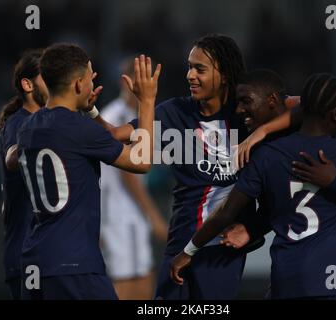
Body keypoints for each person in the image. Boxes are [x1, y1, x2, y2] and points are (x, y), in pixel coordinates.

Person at [108, 34, 299, 300]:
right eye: (189, 67)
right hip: (179, 245)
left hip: (220, 250)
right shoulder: (174, 113)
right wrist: (75, 113)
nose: (190, 75)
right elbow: (116, 134)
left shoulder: (247, 112)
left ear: (224, 73)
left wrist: (263, 130)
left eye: (200, 68)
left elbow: (320, 102)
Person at [171, 73, 336, 299]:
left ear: (274, 101)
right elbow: (287, 203)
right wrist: (253, 228)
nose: (239, 110)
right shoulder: (271, 148)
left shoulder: (279, 148)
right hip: (319, 254)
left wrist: (262, 131)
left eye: (246, 101)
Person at [17, 44, 161, 299]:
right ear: (78, 84)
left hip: (35, 261)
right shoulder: (80, 129)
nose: (93, 83)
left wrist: (88, 110)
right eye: (89, 77)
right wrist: (147, 101)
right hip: (74, 263)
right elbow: (142, 162)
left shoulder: (27, 128)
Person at [99, 56, 168, 300]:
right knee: (129, 285)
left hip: (125, 216)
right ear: (126, 81)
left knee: (144, 280)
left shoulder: (132, 114)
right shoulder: (116, 116)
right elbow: (129, 175)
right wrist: (154, 217)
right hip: (120, 215)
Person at [0, 49, 48, 299]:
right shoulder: (19, 123)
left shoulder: (50, 120)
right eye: (47, 76)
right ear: (28, 84)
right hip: (27, 256)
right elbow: (12, 156)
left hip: (45, 254)